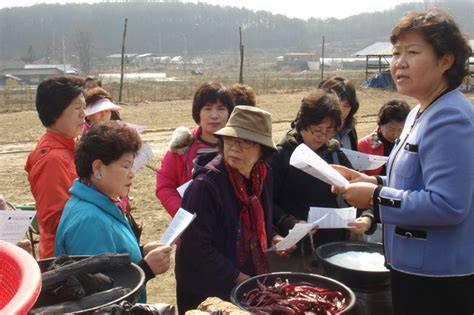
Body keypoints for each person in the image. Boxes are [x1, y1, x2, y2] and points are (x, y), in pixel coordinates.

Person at [332, 10, 473, 315]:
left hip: (439, 277)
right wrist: (370, 181)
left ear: (446, 60)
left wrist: (374, 198)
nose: (399, 62)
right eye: (396, 53)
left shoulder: (450, 118)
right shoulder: (418, 112)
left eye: (412, 52)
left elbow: (448, 204)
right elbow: (413, 184)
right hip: (411, 265)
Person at [175, 106, 289, 313]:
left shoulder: (263, 175)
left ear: (262, 149)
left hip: (246, 280)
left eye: (246, 141)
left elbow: (261, 218)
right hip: (208, 290)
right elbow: (195, 249)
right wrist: (240, 279)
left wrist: (273, 237)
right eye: (230, 139)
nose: (234, 147)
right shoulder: (205, 186)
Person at [55, 121, 171, 302]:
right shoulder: (89, 221)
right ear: (98, 168)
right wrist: (146, 269)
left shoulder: (100, 204)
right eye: (125, 166)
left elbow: (111, 261)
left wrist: (141, 251)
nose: (131, 173)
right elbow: (96, 300)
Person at [269, 89, 375, 272]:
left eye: (328, 131)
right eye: (317, 130)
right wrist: (289, 222)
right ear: (301, 124)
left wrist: (367, 218)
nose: (322, 137)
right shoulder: (281, 155)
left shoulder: (334, 154)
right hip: (294, 251)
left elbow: (359, 191)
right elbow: (267, 203)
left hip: (332, 250)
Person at [25, 76, 85, 259]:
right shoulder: (51, 160)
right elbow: (55, 220)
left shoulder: (68, 148)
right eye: (77, 108)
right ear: (55, 112)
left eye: (84, 107)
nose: (84, 114)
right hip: (65, 257)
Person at [156, 82, 234, 217]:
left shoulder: (240, 146)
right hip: (192, 225)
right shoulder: (181, 147)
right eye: (208, 109)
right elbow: (165, 186)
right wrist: (184, 213)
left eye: (221, 109)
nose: (214, 115)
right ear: (198, 113)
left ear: (230, 113)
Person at [358, 99, 410, 175]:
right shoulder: (363, 146)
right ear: (380, 124)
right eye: (391, 129)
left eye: (401, 130)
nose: (396, 134)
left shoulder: (410, 145)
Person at [318, 76, 359, 150]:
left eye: (347, 106)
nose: (341, 111)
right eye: (337, 105)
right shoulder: (314, 130)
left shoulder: (350, 129)